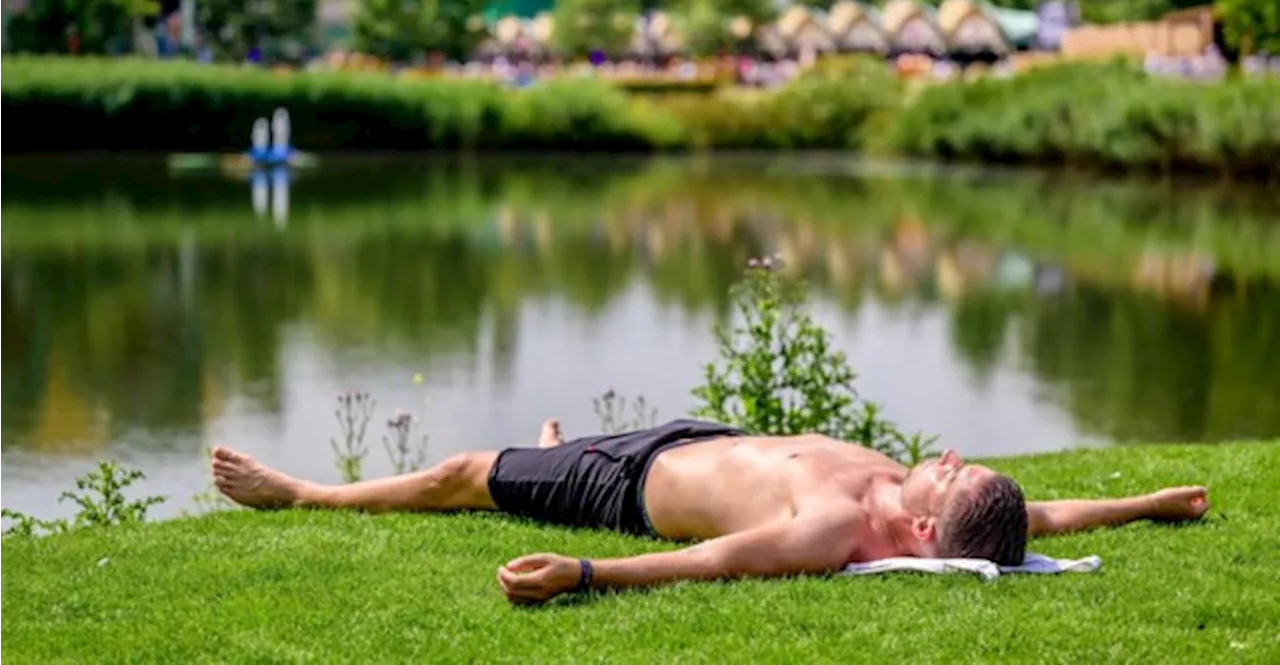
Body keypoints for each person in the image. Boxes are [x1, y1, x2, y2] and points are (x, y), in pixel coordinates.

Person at [211, 418, 1209, 606]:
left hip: (629, 482)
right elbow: (1050, 513)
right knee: (527, 451)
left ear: (918, 535)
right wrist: (1148, 500)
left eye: (949, 475)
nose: (942, 458)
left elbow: (714, 562)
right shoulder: (917, 499)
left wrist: (586, 571)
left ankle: (303, 488)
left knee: (466, 470)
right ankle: (554, 444)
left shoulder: (829, 529)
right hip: (691, 432)